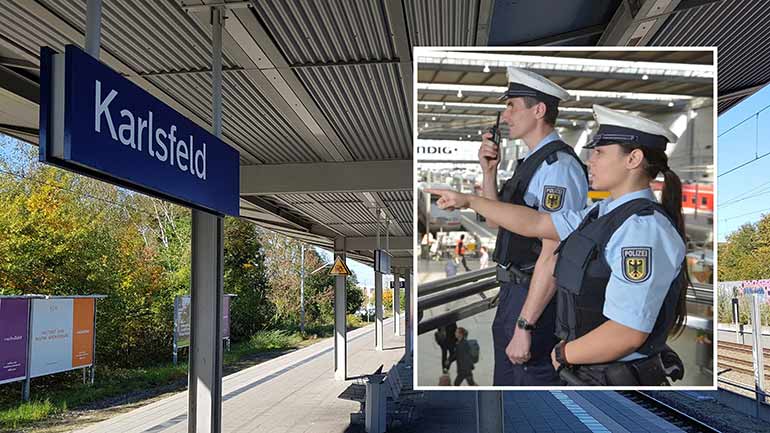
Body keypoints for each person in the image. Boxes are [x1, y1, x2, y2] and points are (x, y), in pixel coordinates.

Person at [427, 105, 689, 386]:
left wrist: (563, 353)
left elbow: (627, 333)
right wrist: (468, 200)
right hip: (589, 369)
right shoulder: (602, 213)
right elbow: (537, 223)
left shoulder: (643, 229)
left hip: (610, 379)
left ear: (633, 159)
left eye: (600, 152)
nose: (590, 161)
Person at [477, 66, 588, 385]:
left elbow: (553, 253)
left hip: (534, 300)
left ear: (538, 110)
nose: (506, 114)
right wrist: (488, 173)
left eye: (512, 105)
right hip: (515, 292)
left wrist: (525, 327)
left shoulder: (558, 168)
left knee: (530, 390)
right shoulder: (533, 164)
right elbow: (495, 220)